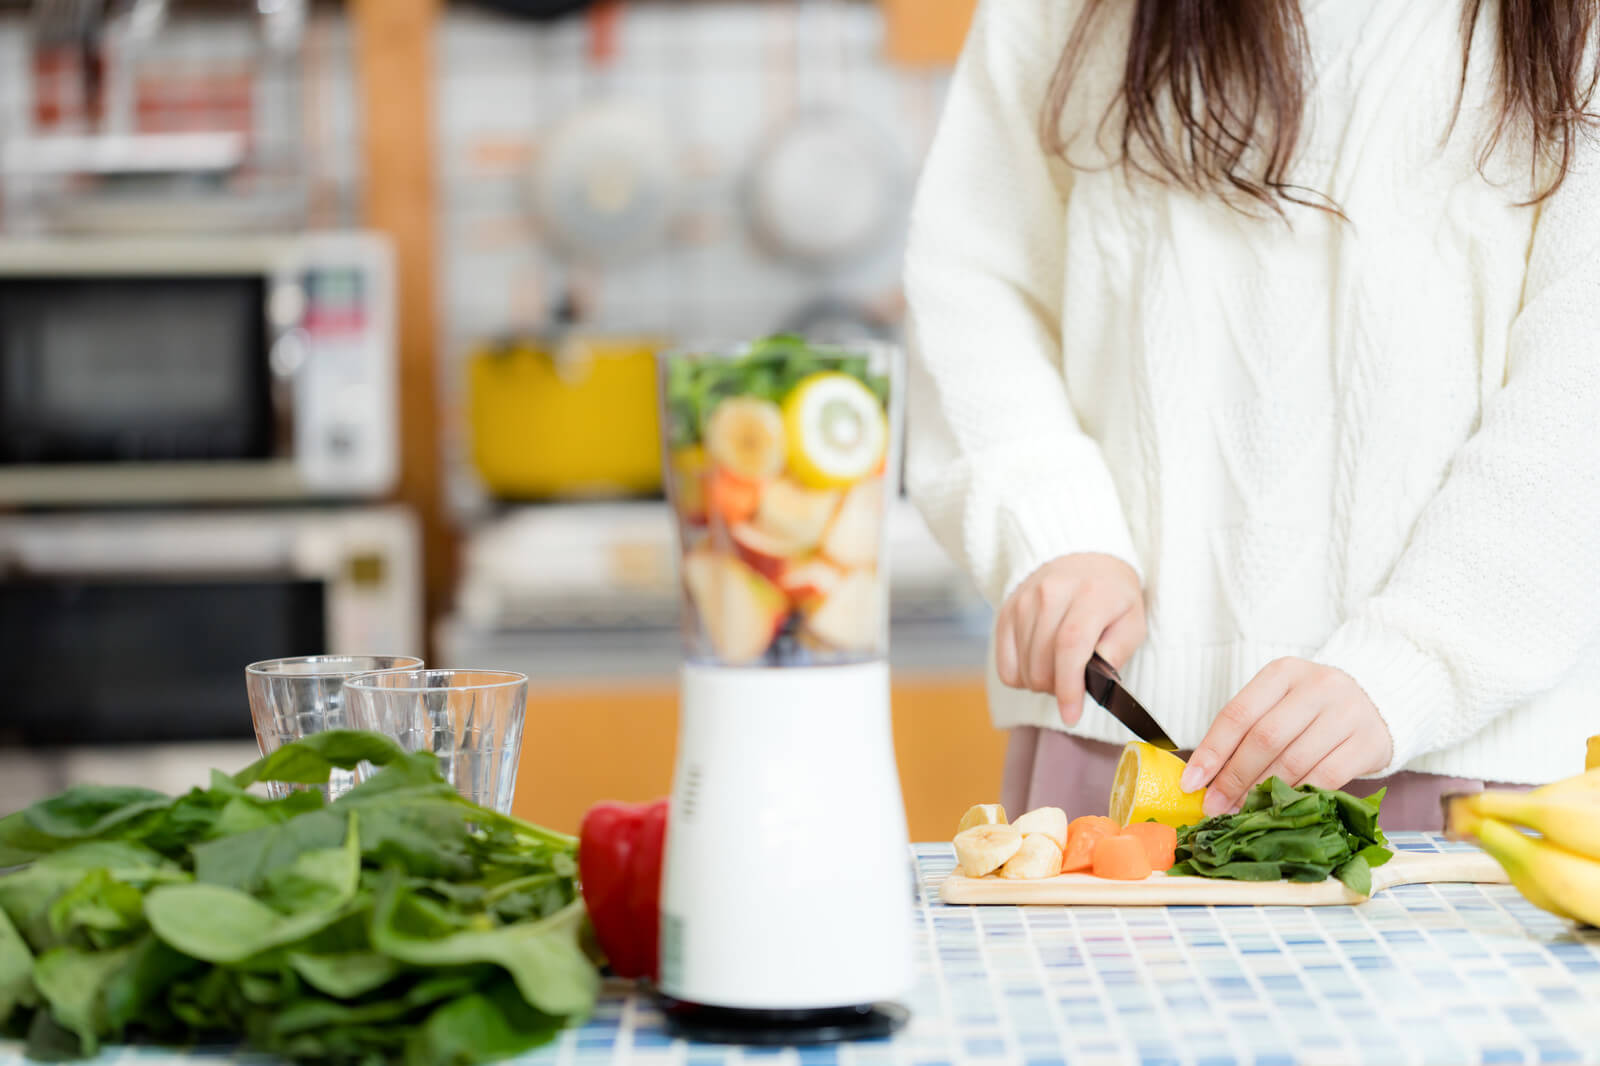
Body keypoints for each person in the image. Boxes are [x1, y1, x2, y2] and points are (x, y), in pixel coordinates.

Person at [904, 0, 1599, 830]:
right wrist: (1050, 527)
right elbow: (976, 277)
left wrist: (1415, 664)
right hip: (1121, 741)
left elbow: (1577, 395)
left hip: (1475, 768)